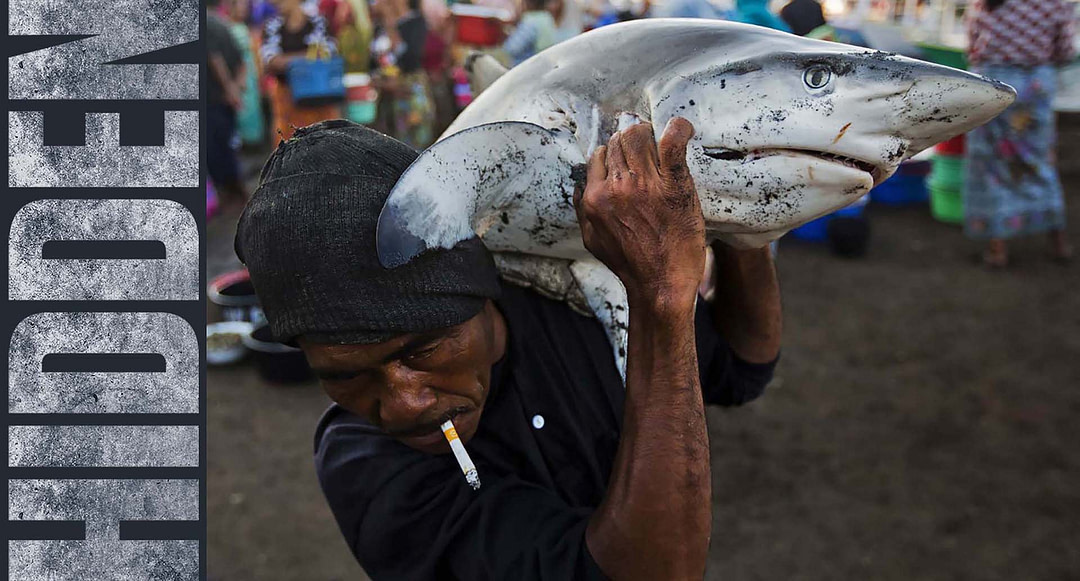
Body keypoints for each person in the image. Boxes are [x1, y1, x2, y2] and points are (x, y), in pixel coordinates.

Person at [235, 119, 782, 578]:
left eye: (421, 350)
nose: (403, 405)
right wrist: (661, 299)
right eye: (344, 375)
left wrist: (741, 223)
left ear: (480, 293)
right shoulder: (369, 470)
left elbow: (739, 370)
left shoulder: (582, 303)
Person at [965, 0, 1075, 267]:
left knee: (991, 165)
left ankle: (998, 248)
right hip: (1035, 87)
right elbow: (1066, 51)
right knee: (1038, 161)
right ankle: (1059, 243)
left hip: (992, 86)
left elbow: (972, 44)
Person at [260, 0, 342, 141]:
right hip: (287, 99)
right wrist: (307, 57)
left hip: (320, 97)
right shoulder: (271, 27)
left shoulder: (319, 22)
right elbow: (270, 62)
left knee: (326, 144)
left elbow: (328, 54)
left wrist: (287, 60)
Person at [372, 0, 436, 148]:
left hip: (410, 94)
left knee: (414, 145)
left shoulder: (416, 23)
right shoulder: (378, 26)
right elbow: (374, 60)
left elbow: (411, 57)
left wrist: (390, 25)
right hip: (384, 96)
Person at [207, 0, 248, 212]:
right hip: (223, 99)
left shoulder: (205, 24)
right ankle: (235, 192)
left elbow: (215, 59)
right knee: (227, 144)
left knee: (216, 149)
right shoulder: (223, 24)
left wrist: (230, 89)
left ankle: (232, 193)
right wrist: (237, 88)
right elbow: (241, 60)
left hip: (214, 99)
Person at [503, 0, 559, 66]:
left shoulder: (530, 21)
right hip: (545, 63)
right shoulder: (547, 17)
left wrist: (506, 35)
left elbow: (512, 48)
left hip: (528, 66)